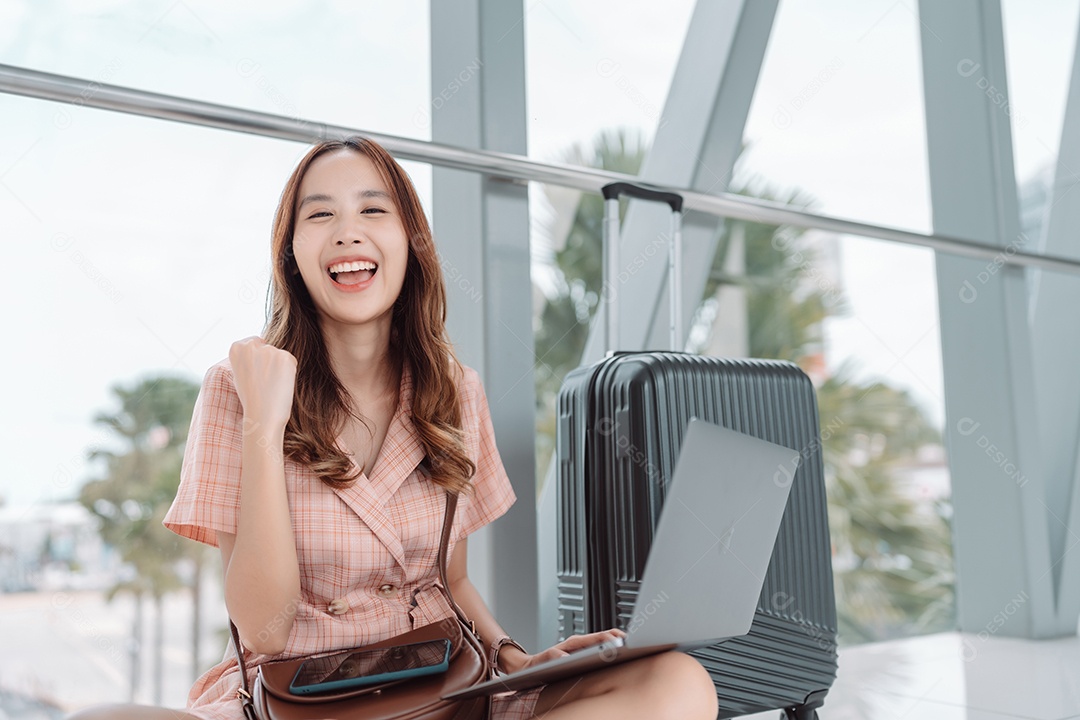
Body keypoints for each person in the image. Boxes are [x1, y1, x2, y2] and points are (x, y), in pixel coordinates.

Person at [69, 136, 718, 720]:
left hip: (440, 686)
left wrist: (516, 657)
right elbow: (263, 630)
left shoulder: (455, 389)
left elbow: (452, 580)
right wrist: (266, 426)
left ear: (411, 242)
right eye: (320, 214)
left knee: (678, 682)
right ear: (292, 255)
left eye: (373, 211)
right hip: (301, 698)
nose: (348, 233)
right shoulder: (237, 387)